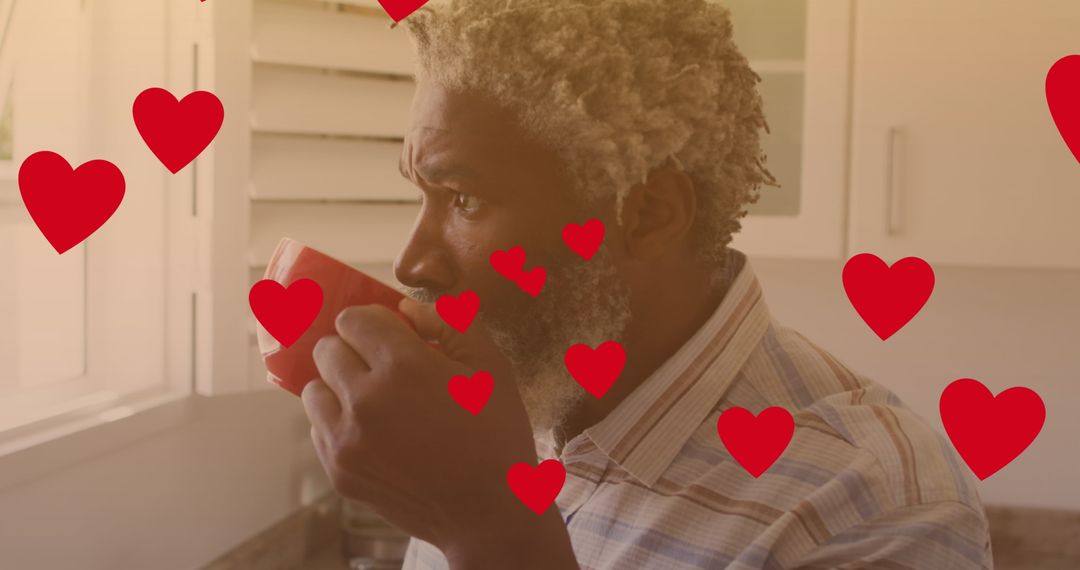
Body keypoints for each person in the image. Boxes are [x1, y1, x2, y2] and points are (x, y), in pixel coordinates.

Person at [301, 1, 994, 568]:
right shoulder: (496, 407)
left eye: (464, 200)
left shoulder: (876, 506)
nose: (410, 263)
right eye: (420, 194)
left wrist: (491, 529)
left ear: (650, 214)